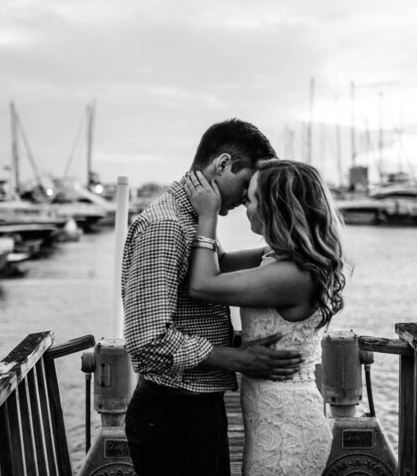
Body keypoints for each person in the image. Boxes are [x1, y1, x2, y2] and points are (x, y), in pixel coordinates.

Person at [122, 119, 304, 476]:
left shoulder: (191, 221)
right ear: (222, 165)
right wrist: (238, 358)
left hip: (195, 407)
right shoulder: (167, 226)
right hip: (173, 414)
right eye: (246, 183)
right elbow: (146, 342)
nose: (245, 197)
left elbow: (218, 272)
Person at [183, 159, 348, 475]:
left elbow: (203, 285)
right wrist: (206, 202)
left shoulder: (293, 275)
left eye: (252, 198)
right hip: (270, 420)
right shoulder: (275, 258)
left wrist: (207, 216)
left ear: (275, 208)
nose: (246, 205)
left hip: (288, 427)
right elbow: (222, 262)